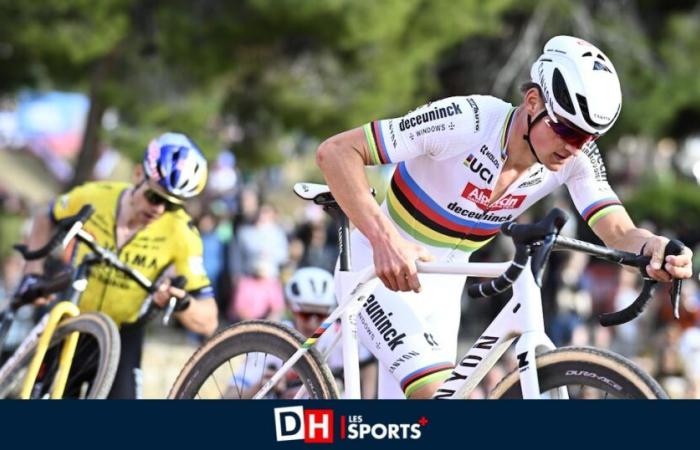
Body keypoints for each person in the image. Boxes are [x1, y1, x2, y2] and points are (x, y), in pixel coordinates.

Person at [315, 35, 694, 399]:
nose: (572, 147)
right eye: (565, 130)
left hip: (446, 282)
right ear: (533, 101)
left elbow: (617, 229)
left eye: (586, 138)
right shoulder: (468, 121)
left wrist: (654, 246)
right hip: (379, 266)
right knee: (437, 399)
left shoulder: (574, 160)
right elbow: (335, 152)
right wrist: (386, 240)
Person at [20, 132, 218, 399]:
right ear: (138, 174)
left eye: (172, 206)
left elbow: (209, 321)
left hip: (123, 336)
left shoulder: (182, 235)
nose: (159, 210)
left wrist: (181, 303)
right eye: (154, 197)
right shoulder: (96, 196)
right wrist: (33, 272)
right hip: (72, 319)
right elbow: (46, 217)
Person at [226, 267, 377, 399]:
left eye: (320, 315)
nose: (312, 322)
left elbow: (368, 366)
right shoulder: (273, 339)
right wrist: (259, 387)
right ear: (292, 309)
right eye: (305, 314)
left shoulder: (340, 335)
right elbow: (228, 396)